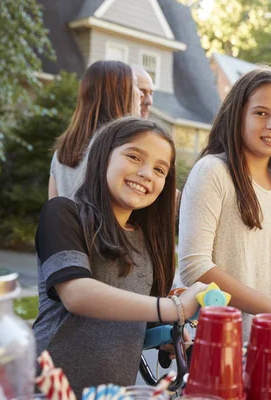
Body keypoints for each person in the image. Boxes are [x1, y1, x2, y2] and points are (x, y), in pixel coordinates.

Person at [33, 117, 206, 394]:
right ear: (104, 156)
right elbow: (77, 294)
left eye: (160, 170)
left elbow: (134, 317)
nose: (147, 173)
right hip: (50, 389)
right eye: (135, 157)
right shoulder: (63, 214)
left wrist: (166, 331)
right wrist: (172, 309)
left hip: (111, 393)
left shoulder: (149, 243)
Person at [178, 68, 271, 346]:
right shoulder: (212, 171)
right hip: (218, 346)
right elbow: (195, 266)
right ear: (237, 115)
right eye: (261, 113)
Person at [49, 60, 142, 199]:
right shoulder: (120, 147)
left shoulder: (62, 150)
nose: (140, 94)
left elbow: (53, 207)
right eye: (135, 85)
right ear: (119, 94)